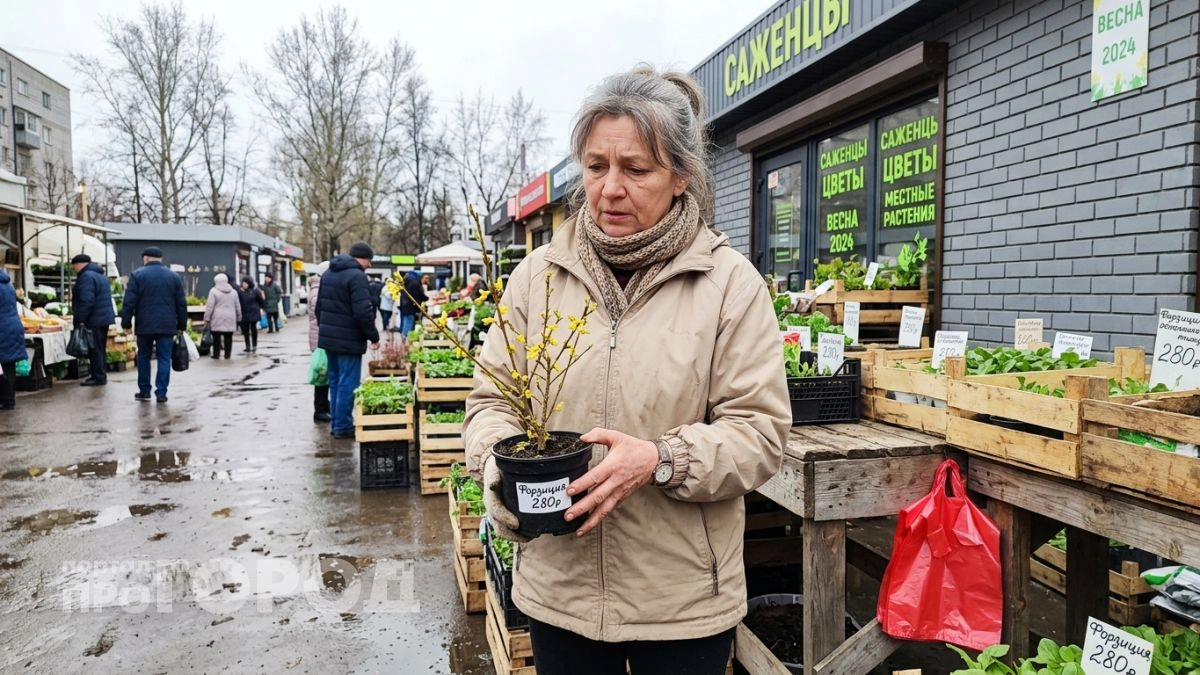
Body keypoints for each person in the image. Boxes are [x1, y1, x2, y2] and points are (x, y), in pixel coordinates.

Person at [463, 67, 790, 675]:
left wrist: (660, 459)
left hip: (684, 600)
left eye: (636, 169)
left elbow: (760, 434)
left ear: (681, 176)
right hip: (560, 592)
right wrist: (494, 469)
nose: (610, 188)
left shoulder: (728, 286)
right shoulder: (537, 278)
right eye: (596, 166)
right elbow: (491, 402)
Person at [317, 242, 380, 439]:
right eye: (369, 260)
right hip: (349, 341)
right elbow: (363, 311)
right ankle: (343, 425)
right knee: (348, 382)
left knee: (335, 381)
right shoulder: (357, 276)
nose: (369, 265)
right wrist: (373, 336)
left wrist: (326, 330)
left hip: (329, 340)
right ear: (361, 258)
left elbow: (318, 307)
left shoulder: (328, 273)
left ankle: (337, 424)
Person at [120, 247, 188, 403]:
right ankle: (162, 393)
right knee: (164, 358)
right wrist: (181, 325)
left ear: (145, 259)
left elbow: (129, 302)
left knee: (144, 357)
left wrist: (126, 323)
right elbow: (181, 304)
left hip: (144, 325)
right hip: (167, 325)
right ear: (161, 259)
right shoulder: (173, 277)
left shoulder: (137, 275)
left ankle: (144, 391)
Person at [70, 253, 115, 386]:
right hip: (103, 318)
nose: (74, 270)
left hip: (93, 319)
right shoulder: (100, 275)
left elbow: (86, 300)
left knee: (94, 348)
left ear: (78, 264)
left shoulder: (86, 277)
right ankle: (99, 375)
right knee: (99, 348)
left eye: (74, 267)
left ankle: (98, 377)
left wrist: (81, 319)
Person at [308, 261, 331, 422]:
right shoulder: (318, 292)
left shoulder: (316, 289)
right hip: (320, 338)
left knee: (324, 374)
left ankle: (323, 405)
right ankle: (320, 409)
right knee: (322, 375)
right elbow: (321, 315)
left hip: (319, 336)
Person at [0, 270, 25, 411]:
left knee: (4, 366)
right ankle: (8, 400)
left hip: (2, 328)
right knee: (8, 366)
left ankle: (6, 400)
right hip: (12, 326)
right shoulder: (8, 285)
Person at [203, 273, 241, 360]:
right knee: (229, 337)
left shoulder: (213, 291)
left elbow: (210, 306)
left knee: (216, 337)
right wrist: (239, 317)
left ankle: (216, 354)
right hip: (230, 317)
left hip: (217, 317)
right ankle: (227, 354)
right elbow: (237, 306)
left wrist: (206, 318)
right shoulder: (234, 292)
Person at [396, 269, 427, 340]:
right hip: (410, 306)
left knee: (405, 320)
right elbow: (416, 296)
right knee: (409, 321)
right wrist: (419, 306)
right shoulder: (414, 283)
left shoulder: (406, 281)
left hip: (404, 305)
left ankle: (404, 336)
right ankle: (406, 338)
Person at [237, 277, 265, 353]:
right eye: (243, 283)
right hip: (244, 313)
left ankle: (254, 345)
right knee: (245, 330)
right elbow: (238, 302)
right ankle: (248, 346)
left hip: (254, 312)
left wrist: (262, 308)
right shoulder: (240, 292)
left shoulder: (256, 291)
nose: (244, 285)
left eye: (246, 283)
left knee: (253, 329)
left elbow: (261, 301)